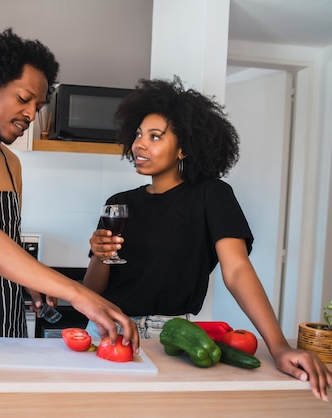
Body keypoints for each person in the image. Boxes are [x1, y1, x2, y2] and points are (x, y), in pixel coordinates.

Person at [84, 76, 331, 401]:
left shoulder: (211, 196)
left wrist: (280, 347)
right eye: (138, 135)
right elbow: (91, 291)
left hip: (169, 337)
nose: (139, 145)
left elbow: (237, 271)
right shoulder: (120, 203)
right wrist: (99, 254)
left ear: (184, 147)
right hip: (105, 329)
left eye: (155, 136)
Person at [0, 28, 138, 348]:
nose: (31, 114)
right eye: (23, 98)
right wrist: (76, 292)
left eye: (38, 105)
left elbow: (7, 240)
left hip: (8, 318)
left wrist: (32, 280)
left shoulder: (11, 162)